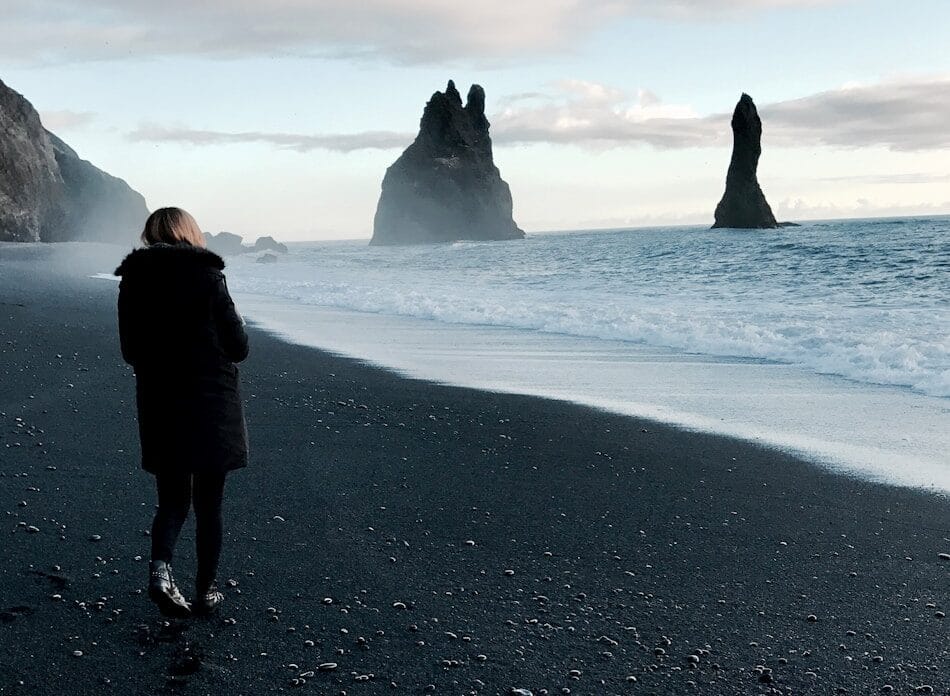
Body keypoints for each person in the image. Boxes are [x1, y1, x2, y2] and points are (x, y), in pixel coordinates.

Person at [115, 207, 249, 617]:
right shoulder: (209, 276)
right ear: (190, 232)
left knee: (172, 500)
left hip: (160, 401)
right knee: (210, 503)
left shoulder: (133, 280)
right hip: (211, 401)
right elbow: (238, 347)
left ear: (151, 233)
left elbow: (130, 351)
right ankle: (206, 591)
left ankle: (160, 571)